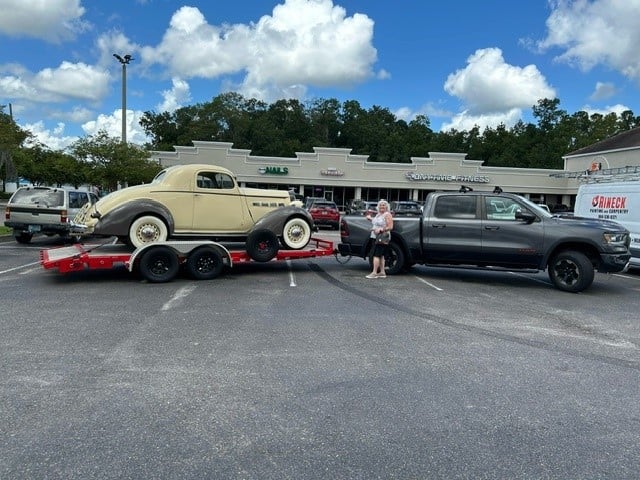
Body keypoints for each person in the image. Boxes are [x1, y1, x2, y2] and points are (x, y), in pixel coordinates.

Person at [365, 199, 393, 278]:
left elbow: (390, 226)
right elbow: (377, 223)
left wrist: (381, 230)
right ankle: (382, 272)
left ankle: (374, 273)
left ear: (387, 207)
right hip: (375, 237)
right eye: (380, 205)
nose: (382, 206)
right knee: (381, 255)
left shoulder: (387, 214)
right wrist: (370, 218)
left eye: (384, 205)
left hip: (382, 237)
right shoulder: (378, 214)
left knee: (376, 255)